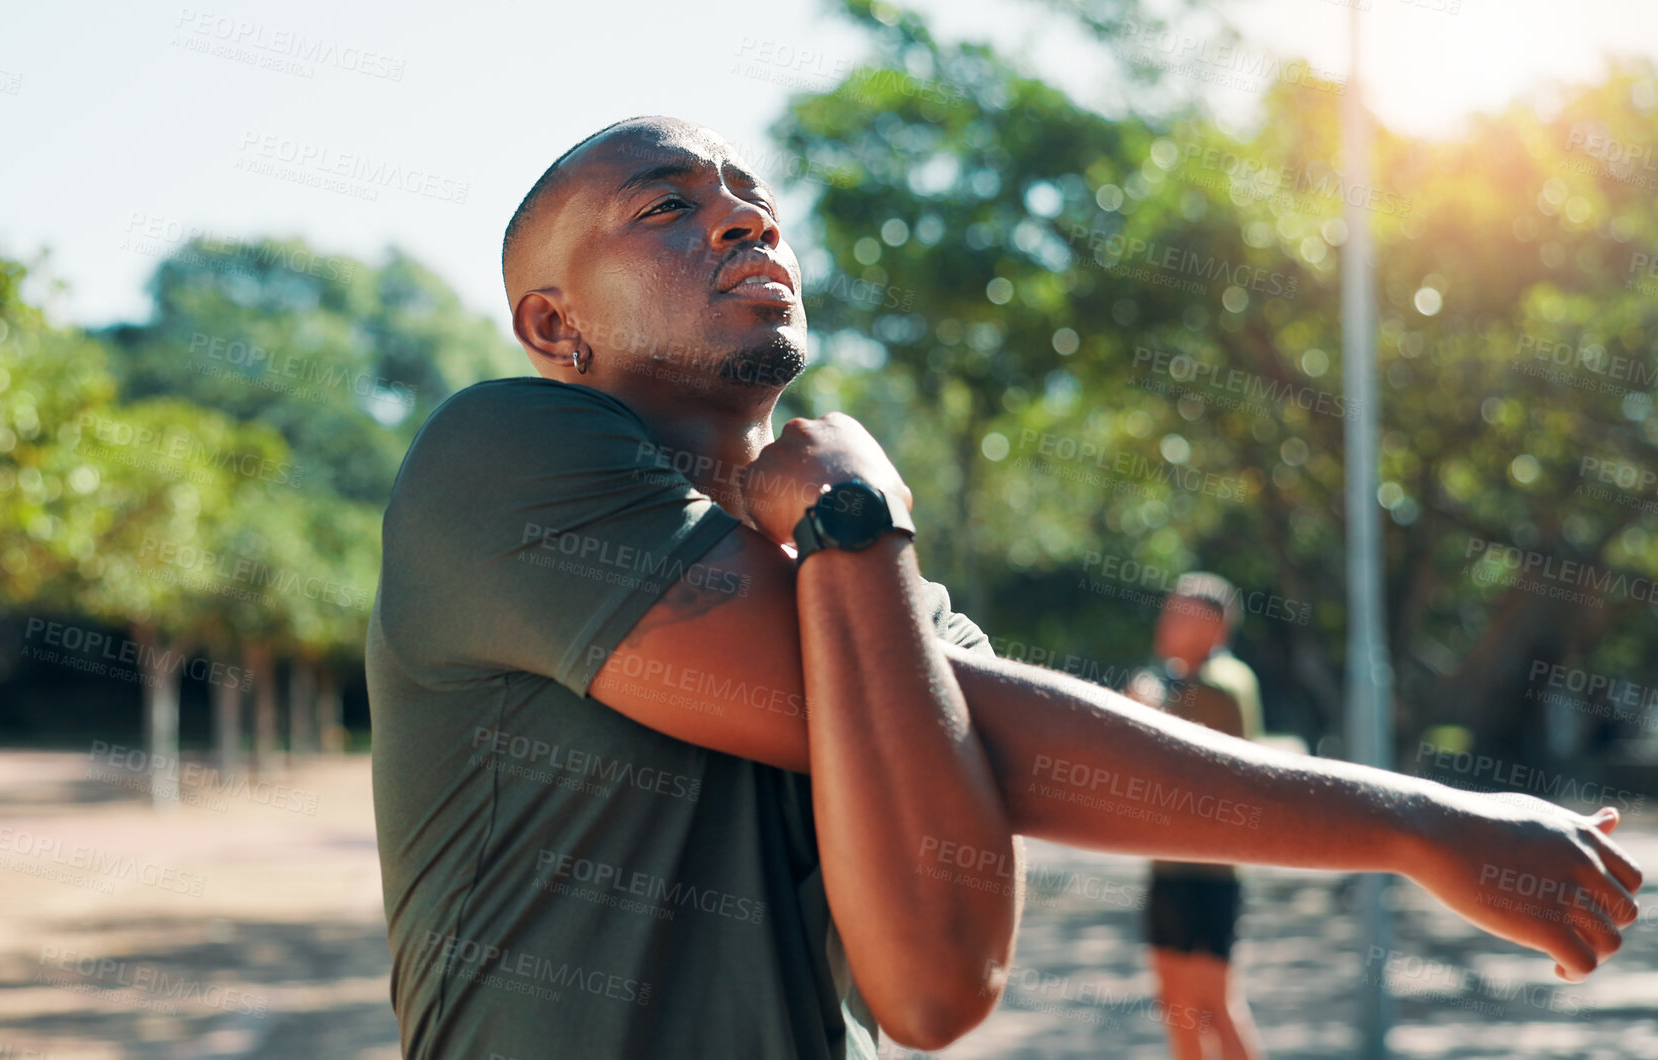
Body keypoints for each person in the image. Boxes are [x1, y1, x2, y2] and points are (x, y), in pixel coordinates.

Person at [365, 115, 1642, 1060]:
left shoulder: (869, 599)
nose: (746, 219)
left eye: (753, 200)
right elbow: (980, 731)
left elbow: (936, 991)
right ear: (552, 326)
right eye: (665, 207)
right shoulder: (500, 455)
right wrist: (1421, 822)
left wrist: (854, 542)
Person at [1126, 573, 1267, 1060]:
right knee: (1177, 1007)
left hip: (1209, 875)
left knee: (1213, 1008)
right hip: (1170, 868)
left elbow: (1160, 744)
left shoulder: (1220, 684)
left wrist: (1141, 707)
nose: (1166, 622)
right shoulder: (1179, 680)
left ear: (1214, 626)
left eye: (1180, 613)